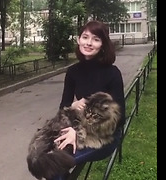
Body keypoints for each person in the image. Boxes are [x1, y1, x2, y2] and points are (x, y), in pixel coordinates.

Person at [51, 20, 126, 180]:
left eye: (96, 39)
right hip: (76, 130)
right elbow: (63, 108)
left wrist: (78, 133)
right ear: (78, 40)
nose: (89, 43)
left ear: (103, 45)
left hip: (105, 137)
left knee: (55, 166)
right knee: (45, 162)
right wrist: (72, 106)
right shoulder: (73, 72)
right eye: (85, 37)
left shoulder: (112, 73)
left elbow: (119, 119)